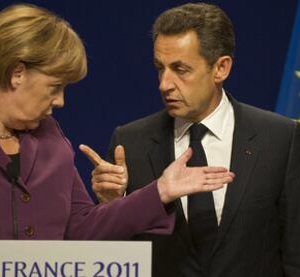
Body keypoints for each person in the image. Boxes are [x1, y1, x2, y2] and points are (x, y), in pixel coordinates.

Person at [0, 4, 234, 241]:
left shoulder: (49, 135)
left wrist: (159, 191)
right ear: (17, 73)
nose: (60, 102)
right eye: (55, 87)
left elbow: (81, 227)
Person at [82, 3, 300, 277]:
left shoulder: (280, 137)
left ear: (221, 68)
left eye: (180, 69)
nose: (164, 84)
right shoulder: (130, 142)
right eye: (160, 68)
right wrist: (112, 205)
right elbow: (112, 259)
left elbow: (295, 253)